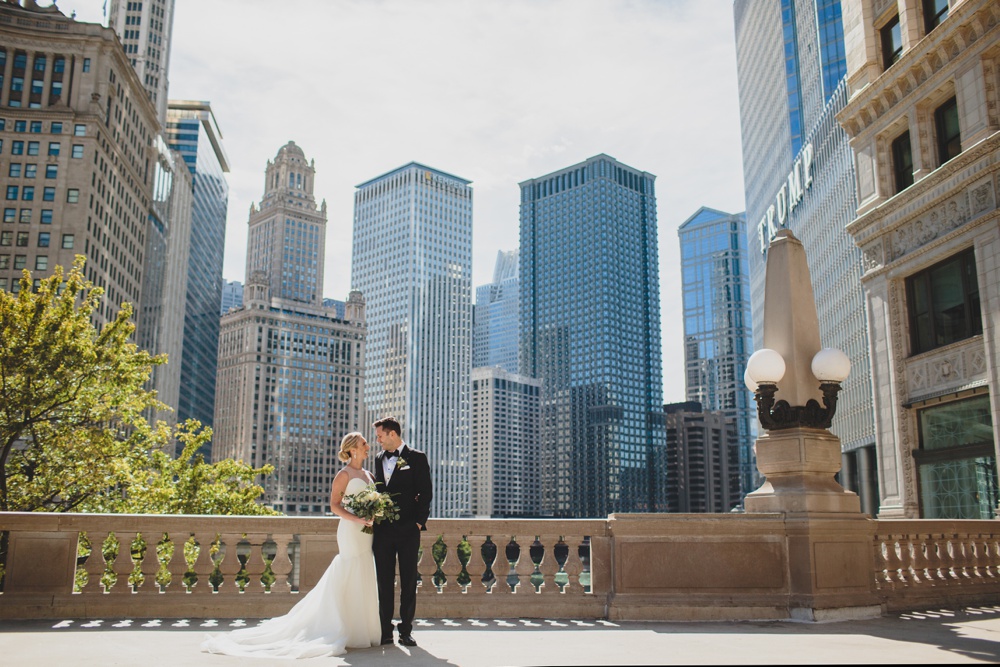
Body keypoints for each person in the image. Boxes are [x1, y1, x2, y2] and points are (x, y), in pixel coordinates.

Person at [201, 433, 381, 659]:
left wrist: (373, 513)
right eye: (364, 443)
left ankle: (361, 629)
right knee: (349, 568)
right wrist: (357, 519)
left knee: (363, 567)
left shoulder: (369, 474)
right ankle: (340, 627)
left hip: (367, 533)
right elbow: (335, 506)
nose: (368, 446)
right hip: (351, 531)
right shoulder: (343, 475)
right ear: (353, 449)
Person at [372, 416, 432, 647]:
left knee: (408, 581)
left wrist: (418, 523)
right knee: (383, 582)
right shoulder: (379, 459)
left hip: (408, 530)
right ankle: (385, 630)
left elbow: (425, 493)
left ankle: (406, 631)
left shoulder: (417, 458)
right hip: (383, 531)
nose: (377, 441)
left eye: (380, 436)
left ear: (392, 434)